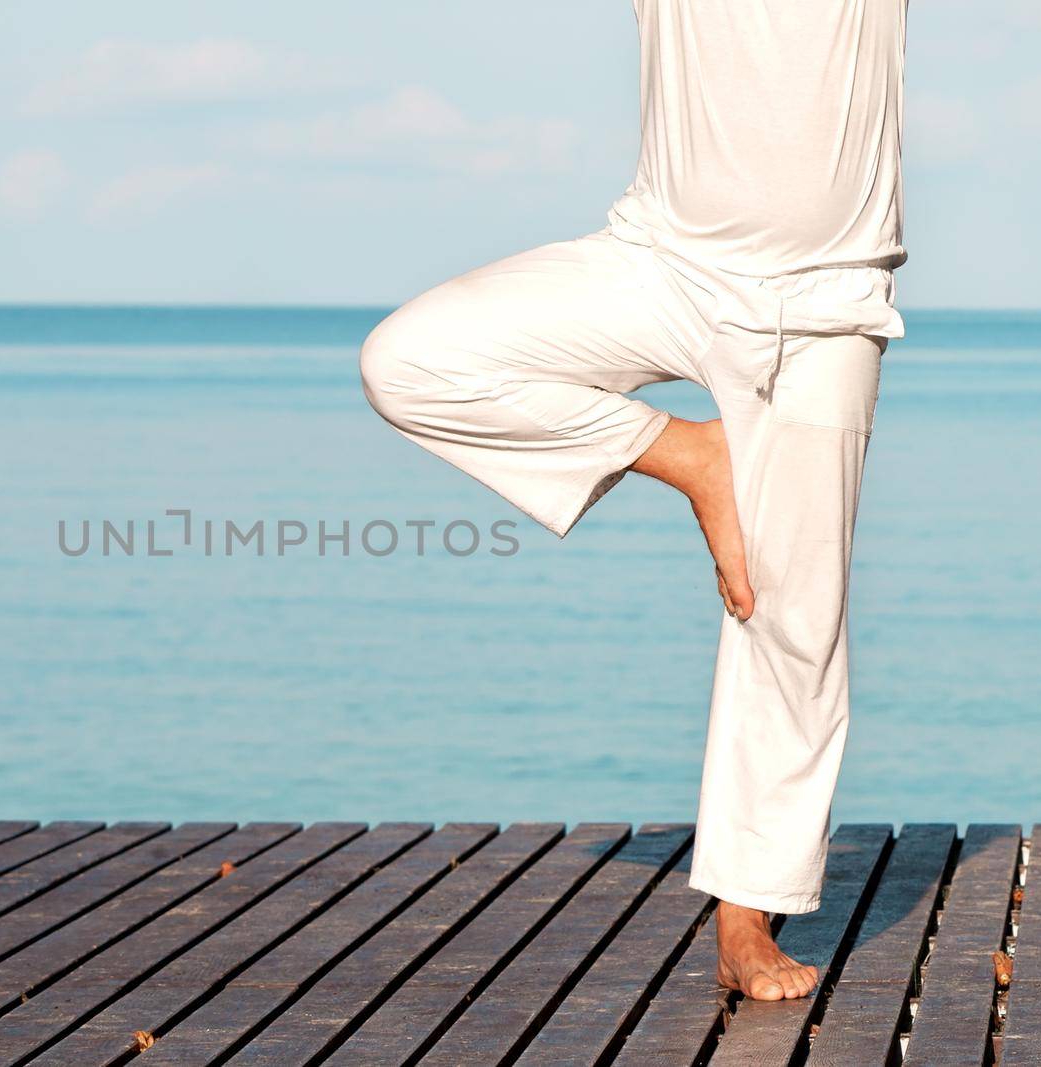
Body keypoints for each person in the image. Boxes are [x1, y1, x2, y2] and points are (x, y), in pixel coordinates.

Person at [360, 0, 907, 1002]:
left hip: (826, 301)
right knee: (411, 359)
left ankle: (743, 917)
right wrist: (660, 443)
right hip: (660, 263)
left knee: (792, 614)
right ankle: (687, 457)